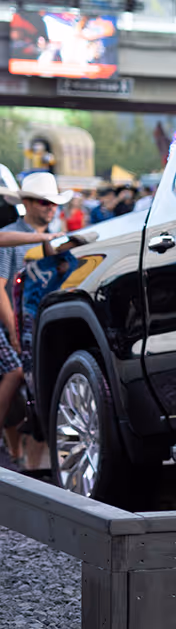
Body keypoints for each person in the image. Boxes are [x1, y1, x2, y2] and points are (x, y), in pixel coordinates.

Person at [0, 173, 68, 467]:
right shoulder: (13, 237)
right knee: (15, 375)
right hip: (12, 324)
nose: (51, 208)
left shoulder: (54, 237)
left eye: (54, 203)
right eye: (44, 202)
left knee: (32, 390)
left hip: (38, 326)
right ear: (26, 202)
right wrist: (13, 331)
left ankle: (26, 464)